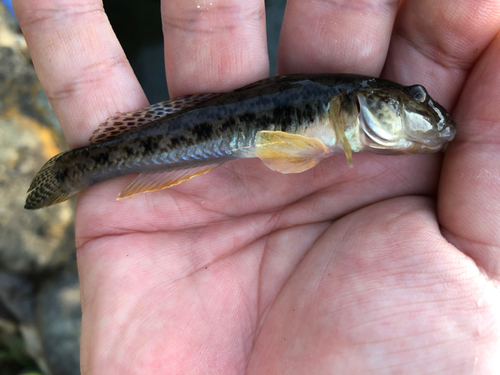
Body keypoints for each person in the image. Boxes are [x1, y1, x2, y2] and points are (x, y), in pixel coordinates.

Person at [14, 0, 500, 373]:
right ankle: (80, 168)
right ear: (362, 104)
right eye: (413, 101)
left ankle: (82, 169)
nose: (422, 109)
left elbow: (285, 149)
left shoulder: (354, 118)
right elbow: (284, 147)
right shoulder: (342, 109)